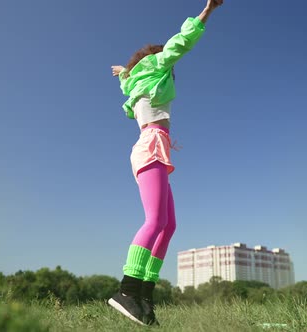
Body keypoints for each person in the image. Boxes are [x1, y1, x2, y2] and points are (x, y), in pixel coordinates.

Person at [109, 0, 223, 326]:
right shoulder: (158, 66)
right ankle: (127, 291)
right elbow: (180, 42)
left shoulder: (135, 81)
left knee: (168, 225)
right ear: (157, 60)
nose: (171, 66)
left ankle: (144, 295)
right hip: (151, 145)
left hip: (150, 147)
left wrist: (124, 72)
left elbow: (128, 81)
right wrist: (207, 11)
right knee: (155, 220)